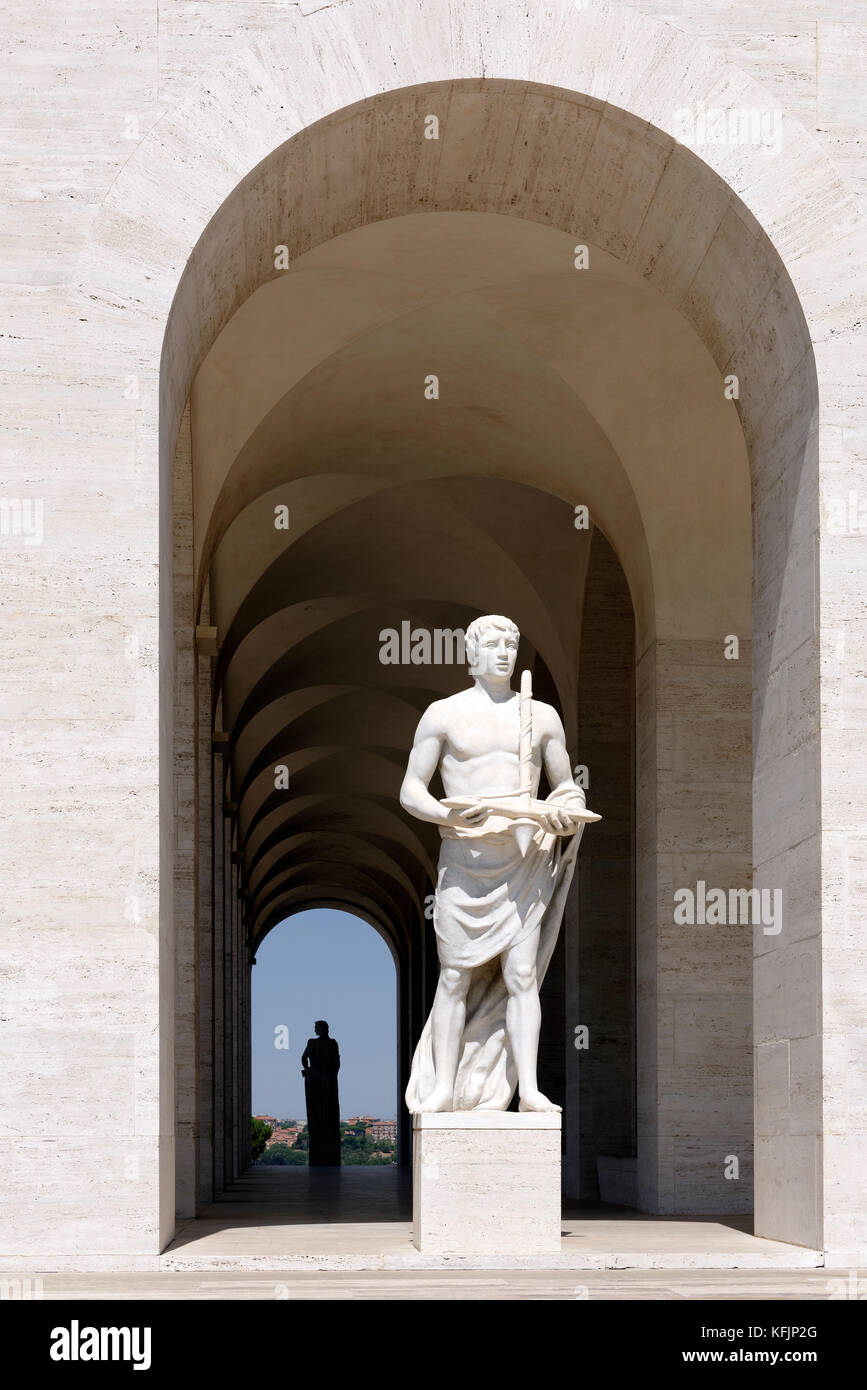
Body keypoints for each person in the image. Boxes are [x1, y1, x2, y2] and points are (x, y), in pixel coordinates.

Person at [400, 614, 589, 1113]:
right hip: (465, 861)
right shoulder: (443, 714)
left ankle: (527, 1089)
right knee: (454, 976)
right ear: (472, 653)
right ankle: (443, 1087)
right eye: (492, 645)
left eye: (511, 645)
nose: (503, 653)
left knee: (522, 975)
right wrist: (449, 815)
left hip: (522, 862)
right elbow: (411, 790)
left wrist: (566, 808)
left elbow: (564, 784)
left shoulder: (541, 717)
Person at [301, 1020, 341, 1164]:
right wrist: (330, 1074)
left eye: (316, 1028)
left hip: (318, 1080)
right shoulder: (329, 1043)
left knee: (321, 1109)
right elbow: (337, 1064)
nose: (315, 1030)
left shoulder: (317, 1043)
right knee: (322, 1110)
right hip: (325, 1080)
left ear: (323, 1029)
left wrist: (308, 1070)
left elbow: (304, 1058)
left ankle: (323, 1132)